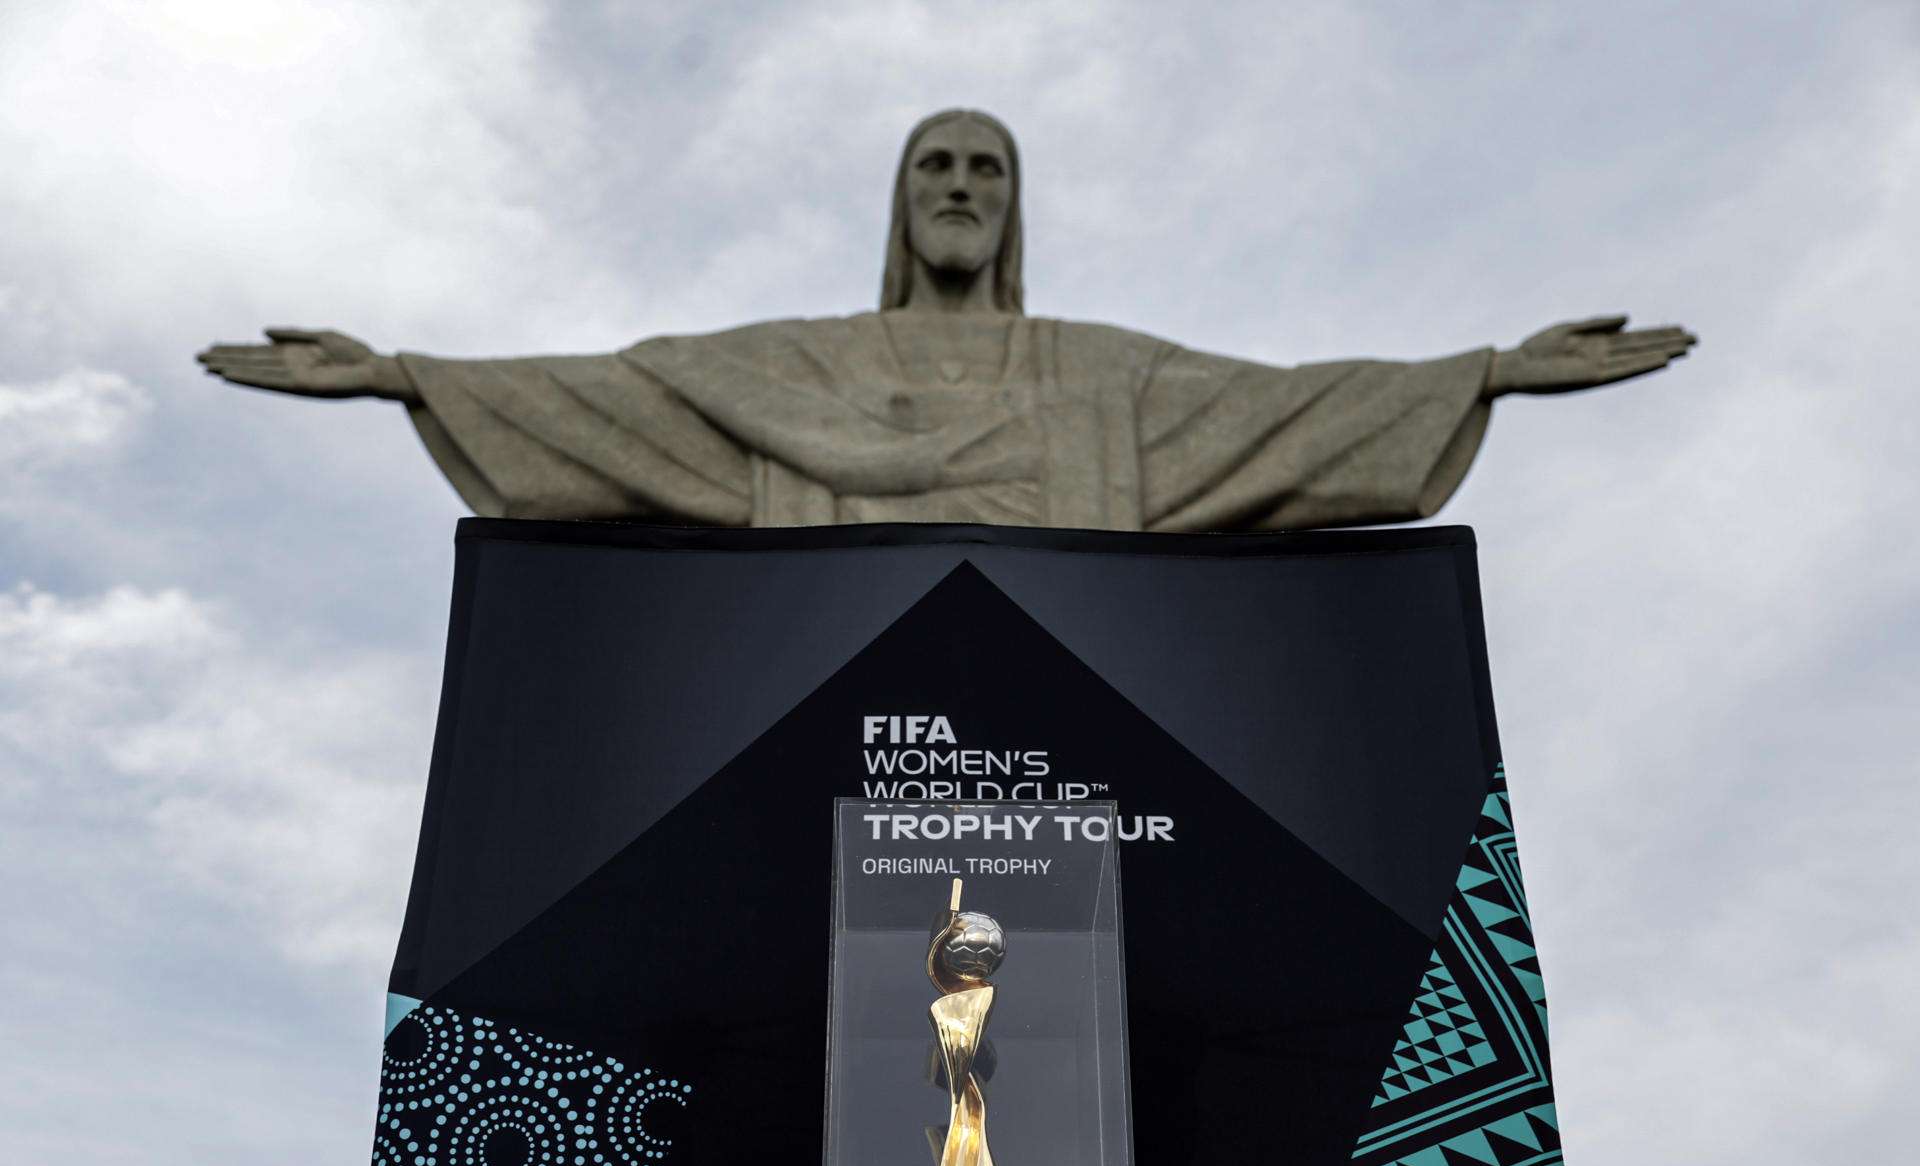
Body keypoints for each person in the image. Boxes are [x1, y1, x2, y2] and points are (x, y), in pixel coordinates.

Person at [197, 109, 1694, 531]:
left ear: (1014, 206)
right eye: (937, 167)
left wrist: (1488, 372)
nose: (962, 187)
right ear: (901, 202)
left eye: (987, 169)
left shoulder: (1096, 370)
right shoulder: (806, 365)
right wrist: (404, 377)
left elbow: (1275, 410)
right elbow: (627, 401)